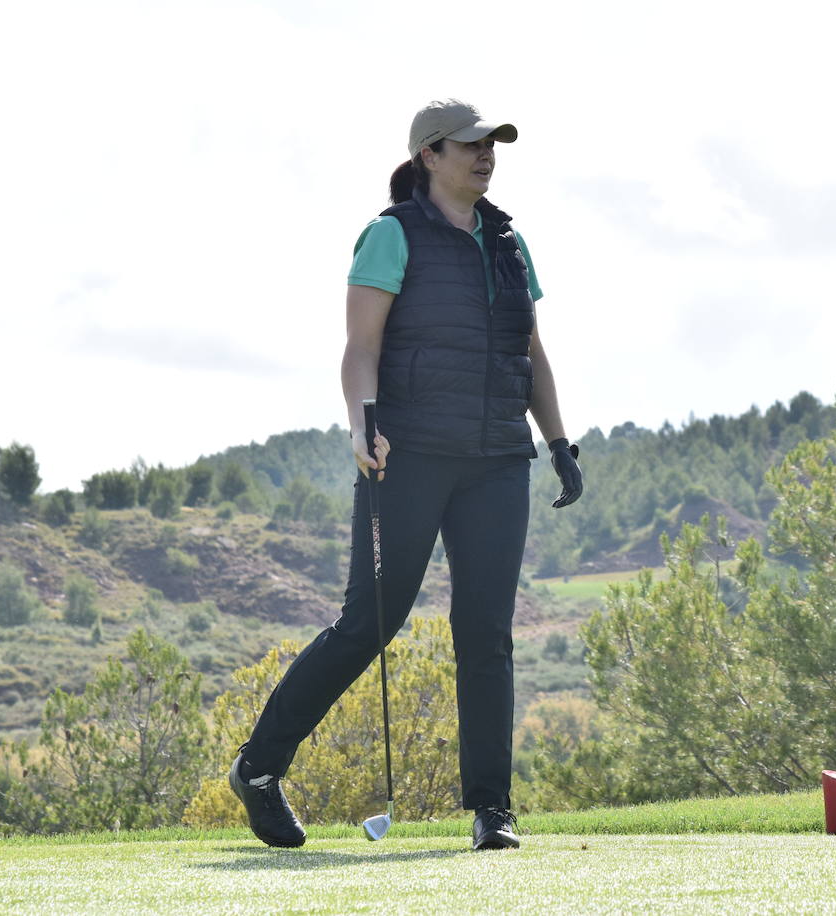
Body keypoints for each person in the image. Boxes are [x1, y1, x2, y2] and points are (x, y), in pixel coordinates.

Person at [229, 99, 583, 851]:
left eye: (493, 145)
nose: (486, 156)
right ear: (430, 154)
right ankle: (259, 769)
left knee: (486, 631)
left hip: (495, 460)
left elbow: (533, 354)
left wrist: (558, 443)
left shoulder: (510, 244)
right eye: (470, 146)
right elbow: (360, 348)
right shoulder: (391, 234)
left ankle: (493, 810)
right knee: (371, 622)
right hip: (409, 454)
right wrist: (363, 423)